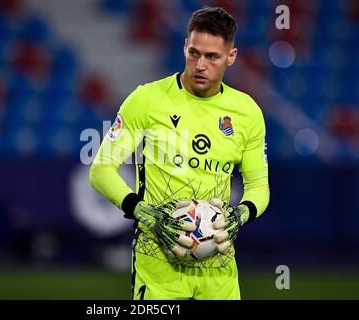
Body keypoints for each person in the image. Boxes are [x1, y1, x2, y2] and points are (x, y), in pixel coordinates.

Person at [89, 6, 270, 300]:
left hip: (219, 270)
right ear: (185, 47)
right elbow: (101, 170)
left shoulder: (247, 113)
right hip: (159, 265)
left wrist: (242, 213)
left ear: (231, 57)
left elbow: (259, 187)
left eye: (212, 57)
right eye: (194, 53)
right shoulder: (147, 100)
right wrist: (143, 212)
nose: (200, 65)